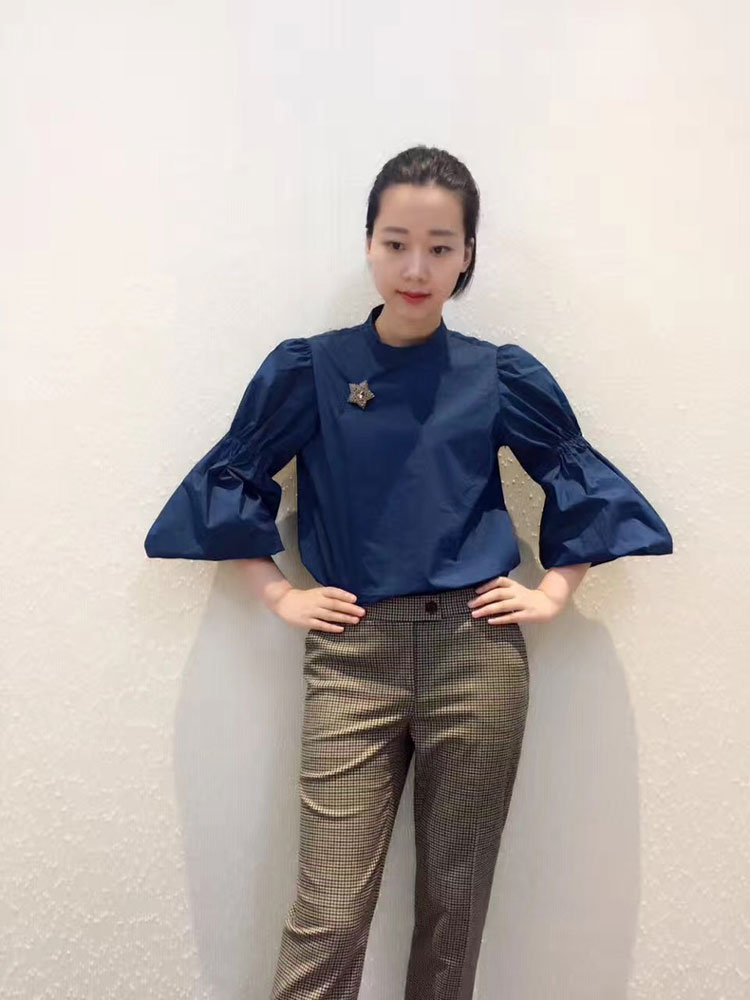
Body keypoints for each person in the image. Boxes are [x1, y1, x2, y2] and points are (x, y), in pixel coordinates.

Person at [144, 145, 673, 999]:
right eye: (396, 243)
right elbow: (232, 477)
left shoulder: (496, 374)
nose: (416, 268)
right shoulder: (312, 370)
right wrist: (278, 594)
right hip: (353, 655)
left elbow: (577, 475)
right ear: (368, 244)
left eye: (439, 246)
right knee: (328, 917)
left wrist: (553, 592)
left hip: (478, 653)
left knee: (453, 914)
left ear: (468, 256)